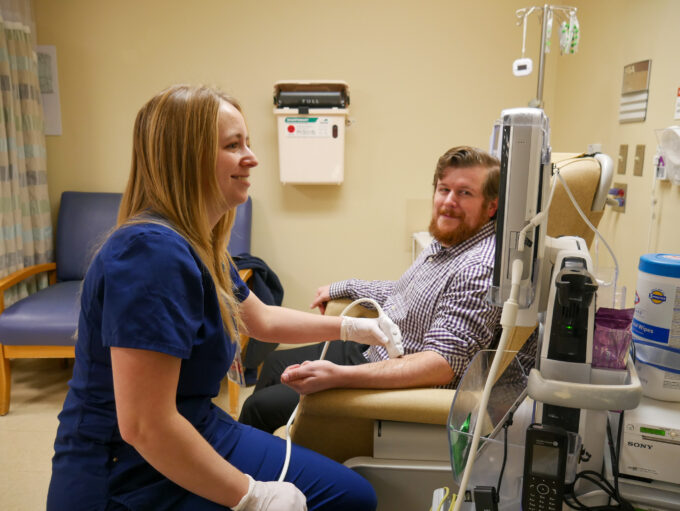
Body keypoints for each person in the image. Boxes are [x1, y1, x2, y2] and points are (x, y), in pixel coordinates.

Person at [47, 85, 387, 511]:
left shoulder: (196, 243)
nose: (252, 158)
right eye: (232, 145)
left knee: (352, 496)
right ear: (185, 158)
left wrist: (353, 327)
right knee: (345, 501)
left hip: (196, 423)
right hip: (129, 467)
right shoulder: (151, 254)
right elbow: (145, 425)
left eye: (247, 143)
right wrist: (251, 496)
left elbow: (261, 320)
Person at [239, 146, 511, 434]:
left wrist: (340, 376)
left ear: (491, 207)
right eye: (444, 189)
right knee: (273, 364)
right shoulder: (451, 240)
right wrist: (343, 287)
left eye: (465, 193)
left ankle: (260, 460)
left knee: (258, 408)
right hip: (375, 351)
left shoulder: (477, 268)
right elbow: (403, 293)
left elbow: (441, 365)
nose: (449, 201)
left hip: (398, 383)